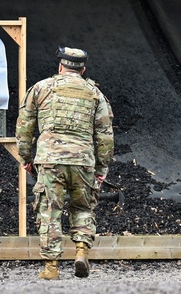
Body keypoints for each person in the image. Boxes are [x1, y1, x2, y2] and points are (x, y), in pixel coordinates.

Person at [16, 47, 114, 280]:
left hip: (50, 160)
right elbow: (105, 135)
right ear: (83, 69)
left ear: (60, 67)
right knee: (82, 207)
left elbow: (24, 127)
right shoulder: (95, 94)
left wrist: (26, 158)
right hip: (82, 161)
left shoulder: (40, 88)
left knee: (50, 211)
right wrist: (101, 169)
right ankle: (81, 251)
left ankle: (51, 268)